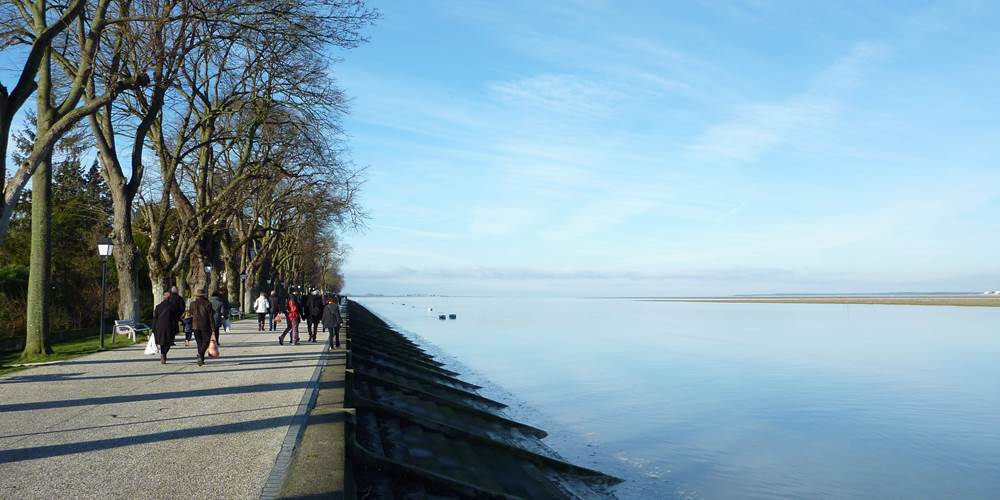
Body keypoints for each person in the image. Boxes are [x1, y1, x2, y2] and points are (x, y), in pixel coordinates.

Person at [189, 292, 215, 365]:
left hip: (195, 325)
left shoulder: (192, 304)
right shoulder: (207, 304)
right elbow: (211, 317)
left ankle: (201, 358)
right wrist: (213, 327)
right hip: (205, 325)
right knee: (206, 341)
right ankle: (200, 354)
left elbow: (190, 313)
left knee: (199, 342)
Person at [152, 291, 176, 363]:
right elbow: (174, 318)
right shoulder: (172, 306)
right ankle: (164, 353)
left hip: (159, 326)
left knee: (162, 341)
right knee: (168, 342)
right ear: (169, 298)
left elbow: (155, 318)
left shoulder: (158, 306)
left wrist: (153, 328)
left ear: (163, 297)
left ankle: (163, 354)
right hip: (169, 325)